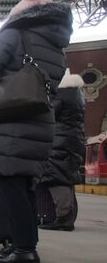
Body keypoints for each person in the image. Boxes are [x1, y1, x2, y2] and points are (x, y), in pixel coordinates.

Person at [0, 0, 70, 263]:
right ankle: (24, 244)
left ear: (21, 13)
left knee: (10, 185)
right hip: (38, 119)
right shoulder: (57, 45)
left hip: (10, 120)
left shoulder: (15, 34)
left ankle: (25, 251)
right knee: (23, 187)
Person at [39, 70, 86, 231]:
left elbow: (49, 114)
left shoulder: (61, 93)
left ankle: (63, 219)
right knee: (66, 177)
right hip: (72, 139)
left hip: (60, 140)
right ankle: (67, 216)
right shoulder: (76, 94)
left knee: (57, 177)